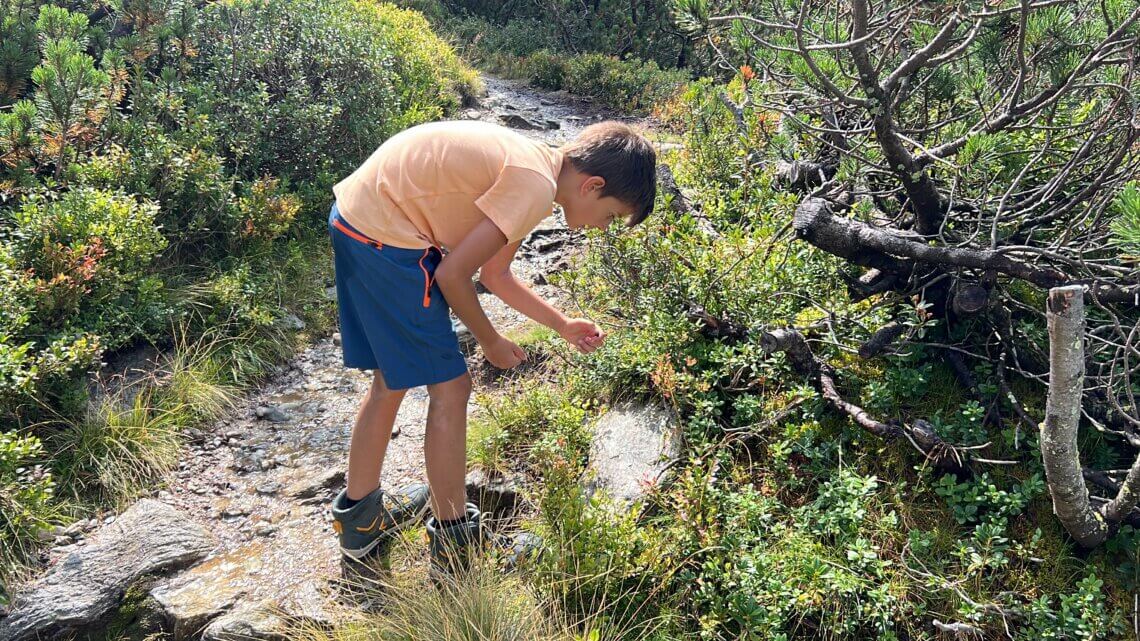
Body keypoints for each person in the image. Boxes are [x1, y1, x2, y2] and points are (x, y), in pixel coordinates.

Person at [326, 118, 656, 582]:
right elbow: (451, 275)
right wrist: (491, 341)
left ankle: (361, 522)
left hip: (357, 219)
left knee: (390, 379)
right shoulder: (535, 187)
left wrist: (562, 325)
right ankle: (455, 543)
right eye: (612, 215)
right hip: (389, 240)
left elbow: (495, 275)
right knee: (453, 389)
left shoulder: (538, 168)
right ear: (592, 186)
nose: (604, 227)